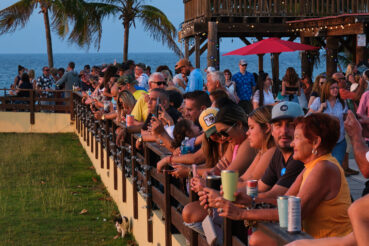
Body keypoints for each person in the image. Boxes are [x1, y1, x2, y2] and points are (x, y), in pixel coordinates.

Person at [215, 113, 352, 245]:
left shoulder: (324, 168)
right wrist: (251, 200)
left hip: (329, 242)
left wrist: (241, 214)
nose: (292, 144)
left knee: (257, 239)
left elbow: (293, 212)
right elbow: (285, 201)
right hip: (308, 239)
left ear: (315, 142)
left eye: (297, 138)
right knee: (257, 238)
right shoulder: (312, 165)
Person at [309, 78, 348, 165]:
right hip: (323, 142)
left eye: (337, 88)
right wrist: (320, 110)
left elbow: (346, 119)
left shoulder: (342, 103)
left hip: (339, 142)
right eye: (332, 88)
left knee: (337, 167)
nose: (335, 90)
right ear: (326, 89)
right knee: (323, 168)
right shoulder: (318, 101)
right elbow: (307, 117)